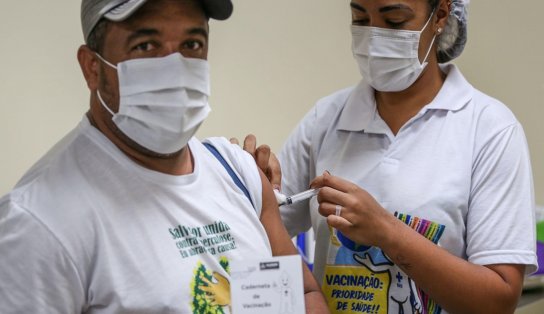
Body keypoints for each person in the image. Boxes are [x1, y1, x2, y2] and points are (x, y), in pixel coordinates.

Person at [0, 0, 328, 313]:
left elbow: (302, 293)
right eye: (146, 46)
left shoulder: (237, 172)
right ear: (92, 68)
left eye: (192, 44)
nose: (174, 67)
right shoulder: (39, 220)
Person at [244, 0, 537, 313]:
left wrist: (386, 232)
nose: (373, 36)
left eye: (395, 20)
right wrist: (252, 191)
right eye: (360, 18)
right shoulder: (325, 120)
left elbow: (499, 300)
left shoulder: (489, 129)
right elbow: (254, 236)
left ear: (440, 15)